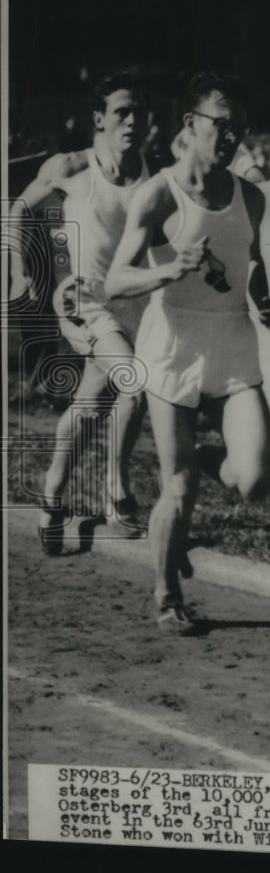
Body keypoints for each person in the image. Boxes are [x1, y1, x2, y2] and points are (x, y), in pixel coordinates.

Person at [105, 72, 270, 633]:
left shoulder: (251, 196)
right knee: (178, 486)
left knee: (255, 479)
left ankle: (214, 464)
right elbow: (115, 281)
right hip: (173, 344)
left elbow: (247, 267)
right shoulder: (159, 194)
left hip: (232, 341)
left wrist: (265, 300)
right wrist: (170, 269)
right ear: (191, 125)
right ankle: (166, 594)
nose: (231, 138)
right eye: (221, 126)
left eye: (240, 129)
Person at [9, 72, 151, 552]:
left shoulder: (156, 170)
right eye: (122, 112)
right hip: (82, 302)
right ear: (99, 119)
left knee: (92, 403)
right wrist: (18, 272)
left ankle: (51, 495)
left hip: (133, 305)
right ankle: (116, 494)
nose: (133, 121)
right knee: (134, 382)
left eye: (140, 112)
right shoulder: (70, 165)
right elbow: (17, 210)